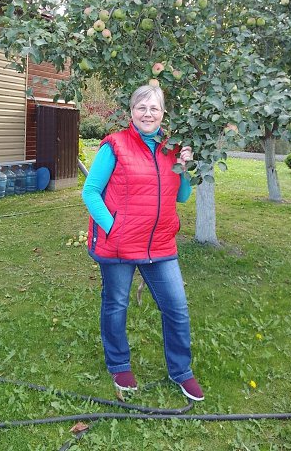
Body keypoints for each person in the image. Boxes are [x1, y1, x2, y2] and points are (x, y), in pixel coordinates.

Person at [82, 84, 204, 401]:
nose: (148, 114)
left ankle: (181, 371)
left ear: (163, 113)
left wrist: (185, 168)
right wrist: (114, 229)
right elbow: (90, 192)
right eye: (141, 107)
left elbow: (182, 196)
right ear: (132, 112)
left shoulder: (171, 149)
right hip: (119, 245)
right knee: (116, 304)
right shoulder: (115, 145)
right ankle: (119, 365)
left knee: (176, 307)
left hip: (160, 244)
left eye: (154, 108)